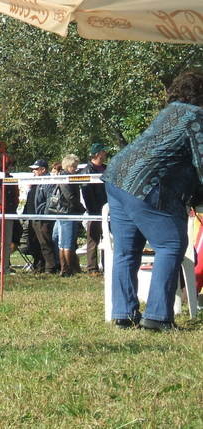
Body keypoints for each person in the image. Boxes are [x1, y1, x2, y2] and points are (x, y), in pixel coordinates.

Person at [103, 70, 203, 331]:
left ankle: (124, 314)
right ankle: (158, 317)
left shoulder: (169, 112)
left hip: (116, 177)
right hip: (144, 183)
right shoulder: (196, 116)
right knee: (170, 244)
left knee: (126, 251)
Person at [52, 154, 85, 277]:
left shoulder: (65, 176)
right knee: (67, 243)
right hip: (67, 212)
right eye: (74, 166)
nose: (75, 169)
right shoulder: (65, 177)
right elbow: (70, 197)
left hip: (64, 212)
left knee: (63, 243)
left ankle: (65, 268)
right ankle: (67, 269)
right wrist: (81, 208)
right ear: (68, 165)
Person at [79, 143, 109, 274]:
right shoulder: (87, 170)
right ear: (97, 154)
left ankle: (107, 265)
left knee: (108, 238)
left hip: (108, 209)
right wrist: (93, 211)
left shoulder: (107, 168)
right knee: (93, 240)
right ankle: (92, 268)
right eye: (103, 152)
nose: (105, 154)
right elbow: (86, 192)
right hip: (94, 210)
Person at [27, 159, 57, 274]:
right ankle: (39, 266)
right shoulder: (35, 181)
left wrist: (46, 216)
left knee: (45, 243)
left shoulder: (48, 181)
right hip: (33, 216)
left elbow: (50, 200)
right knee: (34, 243)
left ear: (43, 169)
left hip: (42, 218)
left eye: (35, 169)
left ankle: (50, 267)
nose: (33, 171)